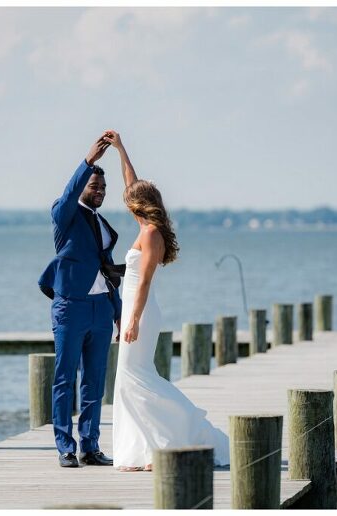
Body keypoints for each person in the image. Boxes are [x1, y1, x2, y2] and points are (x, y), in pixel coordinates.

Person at [103, 130, 230, 471]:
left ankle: (185, 433)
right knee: (132, 379)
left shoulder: (150, 234)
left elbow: (143, 282)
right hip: (137, 312)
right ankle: (147, 451)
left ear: (137, 206)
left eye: (130, 201)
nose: (125, 202)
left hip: (140, 313)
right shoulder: (147, 226)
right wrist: (121, 150)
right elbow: (132, 185)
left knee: (135, 378)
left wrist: (130, 321)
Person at [38, 133, 122, 468]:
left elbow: (106, 269)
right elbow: (71, 193)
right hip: (70, 308)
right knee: (65, 378)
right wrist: (87, 161)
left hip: (101, 308)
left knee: (94, 381)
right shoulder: (64, 215)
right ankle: (65, 447)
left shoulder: (102, 223)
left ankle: (90, 445)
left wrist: (117, 312)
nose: (99, 192)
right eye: (94, 186)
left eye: (103, 188)